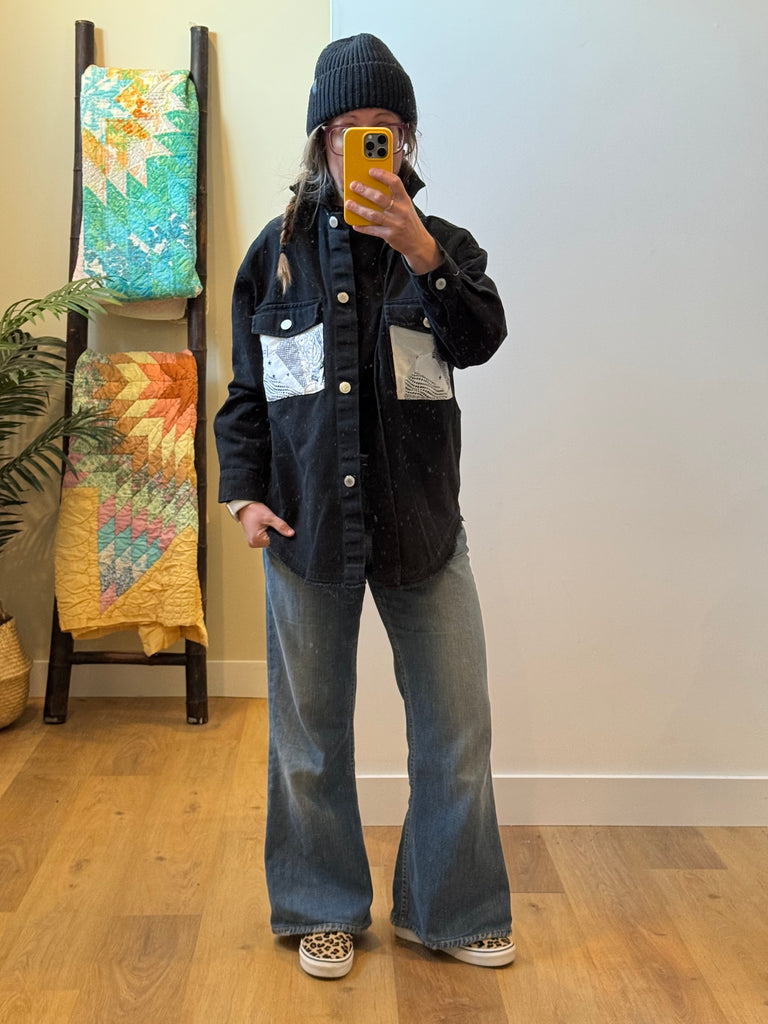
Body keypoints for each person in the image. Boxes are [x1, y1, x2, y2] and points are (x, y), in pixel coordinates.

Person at [214, 32, 514, 980]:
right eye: (348, 127)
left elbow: (481, 337)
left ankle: (450, 911)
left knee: (456, 731)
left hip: (424, 528)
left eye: (383, 127)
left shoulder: (446, 247)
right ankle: (320, 907)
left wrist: (420, 250)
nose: (365, 143)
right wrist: (243, 496)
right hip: (306, 531)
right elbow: (246, 395)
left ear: (406, 139)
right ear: (321, 140)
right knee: (309, 740)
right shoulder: (275, 258)